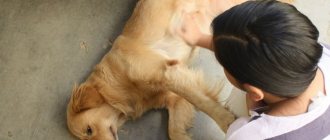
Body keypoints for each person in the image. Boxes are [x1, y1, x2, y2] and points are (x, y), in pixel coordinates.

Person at [178, 0, 330, 139]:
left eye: (224, 64)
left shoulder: (249, 135)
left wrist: (253, 111)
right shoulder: (320, 52)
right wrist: (199, 38)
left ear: (254, 94)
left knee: (236, 107)